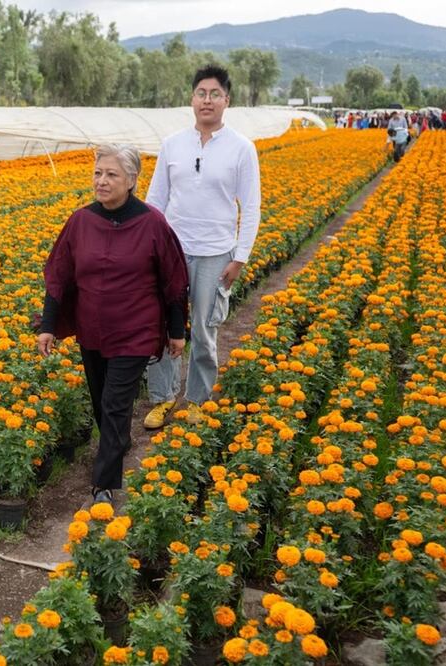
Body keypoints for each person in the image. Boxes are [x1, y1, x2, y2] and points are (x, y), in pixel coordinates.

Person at [37, 144, 189, 506]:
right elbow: (59, 276)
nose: (101, 181)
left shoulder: (152, 223)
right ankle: (117, 443)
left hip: (135, 329)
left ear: (132, 180)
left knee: (115, 403)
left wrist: (177, 330)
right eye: (97, 173)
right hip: (92, 329)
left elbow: (173, 280)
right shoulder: (80, 221)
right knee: (101, 401)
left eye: (111, 174)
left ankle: (103, 486)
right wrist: (48, 325)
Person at [142, 64, 261, 429]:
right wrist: (146, 249)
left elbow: (251, 207)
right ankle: (163, 397)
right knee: (164, 324)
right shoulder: (172, 145)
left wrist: (240, 258)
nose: (207, 100)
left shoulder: (241, 148)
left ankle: (197, 398)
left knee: (205, 330)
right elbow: (155, 201)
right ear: (192, 99)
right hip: (172, 252)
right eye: (201, 93)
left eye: (215, 94)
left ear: (227, 100)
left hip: (216, 253)